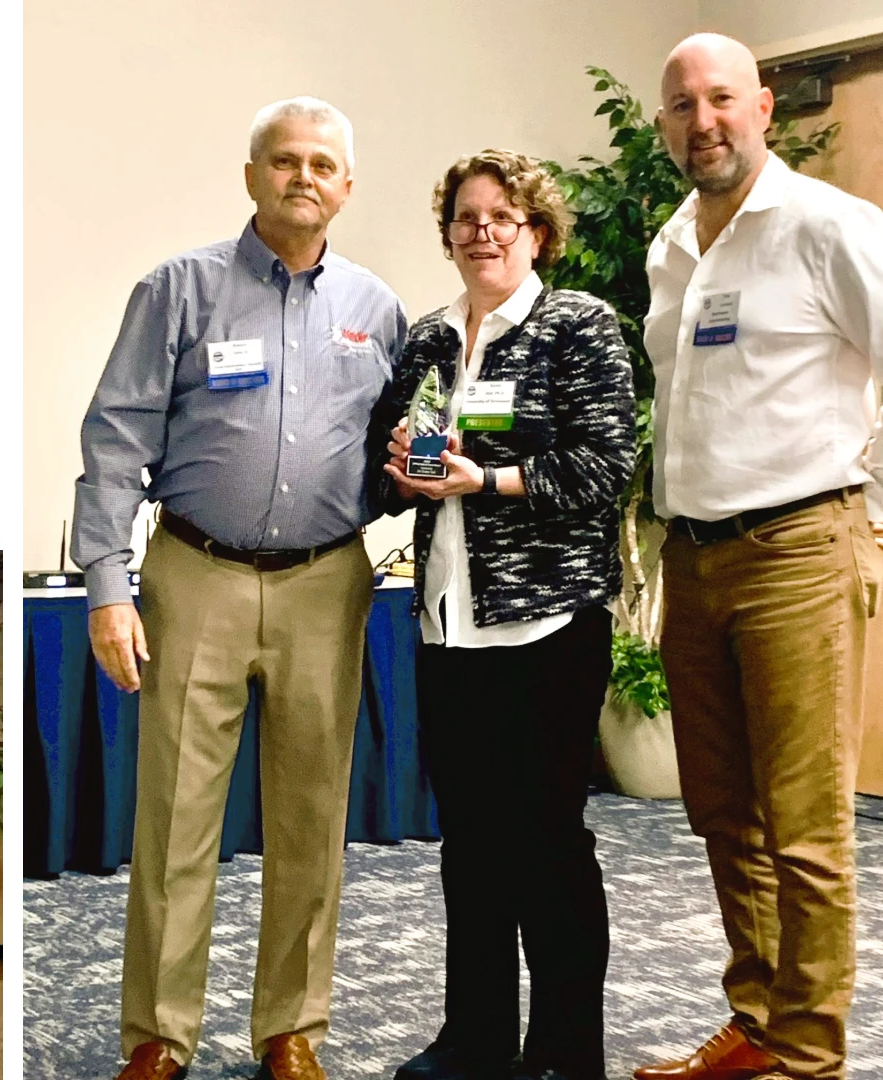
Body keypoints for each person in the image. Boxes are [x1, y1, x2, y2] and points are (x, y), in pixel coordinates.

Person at [633, 34, 883, 1080]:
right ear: (665, 126)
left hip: (797, 552)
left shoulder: (829, 226)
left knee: (806, 827)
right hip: (695, 555)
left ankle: (810, 1056)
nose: (704, 121)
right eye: (683, 106)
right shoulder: (671, 245)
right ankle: (757, 1021)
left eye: (722, 98)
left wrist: (863, 506)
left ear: (764, 107)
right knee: (723, 813)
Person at [72, 97, 408, 1080]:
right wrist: (105, 582)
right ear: (252, 174)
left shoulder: (376, 311)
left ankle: (292, 1028)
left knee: (313, 813)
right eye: (284, 160)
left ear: (347, 187)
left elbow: (400, 448)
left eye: (323, 165)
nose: (304, 176)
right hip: (195, 575)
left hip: (326, 583)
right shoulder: (179, 290)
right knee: (174, 817)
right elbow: (114, 440)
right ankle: (159, 1035)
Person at [372, 150, 636, 1080]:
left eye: (502, 217)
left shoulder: (577, 327)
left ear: (538, 232)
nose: (482, 232)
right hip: (450, 623)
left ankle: (566, 1050)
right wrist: (401, 471)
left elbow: (606, 470)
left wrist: (488, 478)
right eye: (466, 217)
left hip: (548, 627)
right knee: (471, 844)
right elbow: (387, 468)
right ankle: (474, 1037)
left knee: (547, 841)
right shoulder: (430, 338)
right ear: (447, 232)